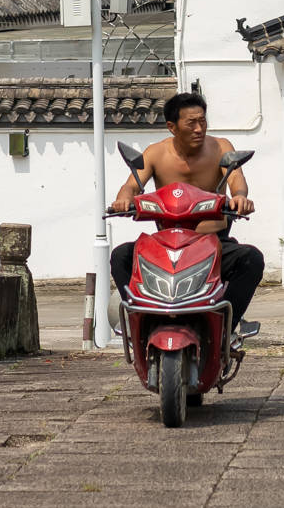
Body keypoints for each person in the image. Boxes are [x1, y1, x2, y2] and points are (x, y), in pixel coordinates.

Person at [109, 90, 263, 331]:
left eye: (202, 121)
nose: (199, 129)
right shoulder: (155, 153)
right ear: (172, 127)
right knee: (121, 256)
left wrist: (240, 198)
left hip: (212, 243)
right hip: (165, 243)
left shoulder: (220, 147)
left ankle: (225, 327)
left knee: (251, 259)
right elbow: (130, 186)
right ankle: (140, 320)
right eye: (191, 123)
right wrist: (123, 200)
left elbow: (236, 179)